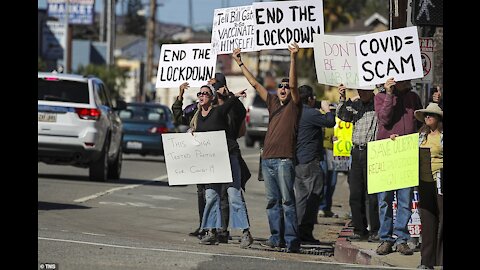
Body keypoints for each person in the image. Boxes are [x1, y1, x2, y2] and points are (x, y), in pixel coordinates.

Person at [232, 42, 302, 253]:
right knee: (272, 202)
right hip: (269, 159)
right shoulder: (271, 102)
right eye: (280, 87)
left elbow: (294, 85)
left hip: (284, 160)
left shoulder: (294, 105)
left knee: (287, 201)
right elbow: (254, 83)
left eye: (285, 87)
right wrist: (240, 62)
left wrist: (293, 57)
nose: (282, 89)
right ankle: (276, 238)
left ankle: (291, 241)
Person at [374, 77, 423, 256]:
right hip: (387, 152)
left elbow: (420, 123)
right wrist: (389, 94)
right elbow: (384, 119)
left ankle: (401, 239)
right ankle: (386, 239)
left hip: (406, 153)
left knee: (405, 199)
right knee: (384, 200)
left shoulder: (413, 97)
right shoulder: (380, 97)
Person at [336, 84, 380, 242]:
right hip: (356, 151)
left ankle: (375, 230)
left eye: (364, 90)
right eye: (359, 90)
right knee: (355, 192)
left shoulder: (378, 103)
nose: (361, 93)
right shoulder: (356, 105)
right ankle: (359, 229)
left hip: (372, 151)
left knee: (372, 194)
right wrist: (342, 97)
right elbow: (342, 115)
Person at [294, 85, 335, 243]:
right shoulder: (311, 113)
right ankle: (305, 231)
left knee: (301, 198)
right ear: (310, 99)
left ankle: (296, 230)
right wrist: (327, 109)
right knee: (314, 196)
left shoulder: (296, 112)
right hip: (310, 162)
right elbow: (330, 122)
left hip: (297, 161)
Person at [414, 103, 443, 269]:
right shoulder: (420, 136)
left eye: (430, 115)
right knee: (428, 221)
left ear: (438, 118)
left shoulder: (442, 136)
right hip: (424, 183)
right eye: (425, 115)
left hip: (440, 180)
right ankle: (427, 261)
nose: (427, 117)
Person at [318, 105, 338, 219]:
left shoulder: (339, 122)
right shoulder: (323, 120)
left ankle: (327, 208)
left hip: (335, 153)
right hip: (324, 152)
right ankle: (321, 207)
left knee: (332, 182)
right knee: (324, 181)